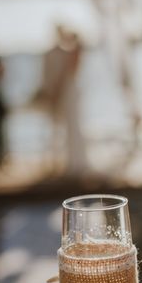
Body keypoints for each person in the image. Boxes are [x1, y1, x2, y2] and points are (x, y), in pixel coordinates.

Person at [39, 26, 85, 175]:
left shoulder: (71, 53)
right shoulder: (64, 53)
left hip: (68, 92)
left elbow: (65, 74)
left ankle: (74, 162)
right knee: (65, 128)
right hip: (67, 92)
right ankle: (67, 161)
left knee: (72, 127)